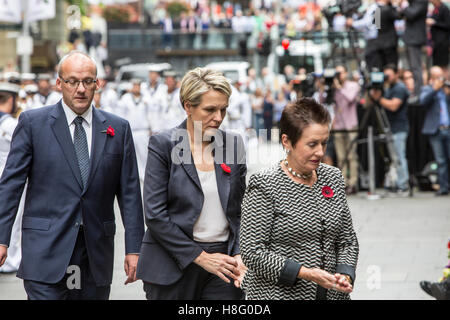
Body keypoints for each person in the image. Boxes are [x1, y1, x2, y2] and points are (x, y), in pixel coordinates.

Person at [0, 51, 145, 300]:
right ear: (59, 83)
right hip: (45, 252)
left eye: (88, 81)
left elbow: (130, 193)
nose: (81, 89)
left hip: (94, 255)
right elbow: (10, 186)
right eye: (72, 81)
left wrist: (135, 248)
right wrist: (1, 238)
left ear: (97, 84)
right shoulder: (33, 124)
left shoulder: (117, 129)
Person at [136, 67, 247, 300]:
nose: (218, 117)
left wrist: (238, 252)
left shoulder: (232, 144)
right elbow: (155, 215)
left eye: (223, 109)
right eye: (210, 109)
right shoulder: (163, 144)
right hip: (172, 261)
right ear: (188, 106)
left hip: (224, 264)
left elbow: (240, 211)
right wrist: (201, 257)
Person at [239, 98, 359, 300]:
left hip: (332, 296)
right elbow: (252, 252)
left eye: (324, 142)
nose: (320, 152)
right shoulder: (264, 184)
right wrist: (304, 272)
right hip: (277, 294)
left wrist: (345, 274)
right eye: (312, 144)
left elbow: (347, 240)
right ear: (287, 141)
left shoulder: (333, 177)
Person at [369, 64, 410, 194]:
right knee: (395, 157)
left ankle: (403, 185)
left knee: (399, 156)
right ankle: (398, 182)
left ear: (397, 74)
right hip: (390, 127)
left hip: (399, 127)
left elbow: (393, 106)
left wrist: (379, 98)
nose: (387, 78)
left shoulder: (400, 87)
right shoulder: (388, 87)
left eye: (389, 75)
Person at [0, 82, 23, 274]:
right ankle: (10, 260)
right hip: (8, 175)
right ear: (11, 100)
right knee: (13, 219)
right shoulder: (10, 123)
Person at [419, 67, 450, 196]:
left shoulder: (446, 89)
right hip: (435, 130)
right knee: (441, 161)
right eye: (437, 77)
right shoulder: (427, 89)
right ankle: (443, 187)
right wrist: (434, 88)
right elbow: (422, 101)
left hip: (448, 128)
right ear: (431, 78)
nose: (440, 80)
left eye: (441, 77)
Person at [332, 65, 361, 195]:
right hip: (338, 125)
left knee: (351, 155)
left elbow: (350, 98)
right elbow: (322, 101)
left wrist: (339, 88)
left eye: (341, 72)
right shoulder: (332, 87)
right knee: (341, 156)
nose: (339, 75)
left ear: (346, 73)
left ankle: (353, 183)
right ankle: (342, 183)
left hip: (350, 125)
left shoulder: (352, 85)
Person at [400, 0, 428, 97]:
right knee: (412, 67)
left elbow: (409, 14)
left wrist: (403, 5)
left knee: (416, 67)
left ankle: (418, 92)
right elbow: (376, 25)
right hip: (377, 43)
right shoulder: (376, 8)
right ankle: (415, 92)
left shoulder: (377, 9)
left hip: (413, 39)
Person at [427, 0, 450, 78]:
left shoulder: (444, 8)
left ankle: (445, 84)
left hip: (443, 43)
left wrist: (434, 23)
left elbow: (447, 24)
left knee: (443, 65)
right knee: (437, 65)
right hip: (436, 42)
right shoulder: (435, 9)